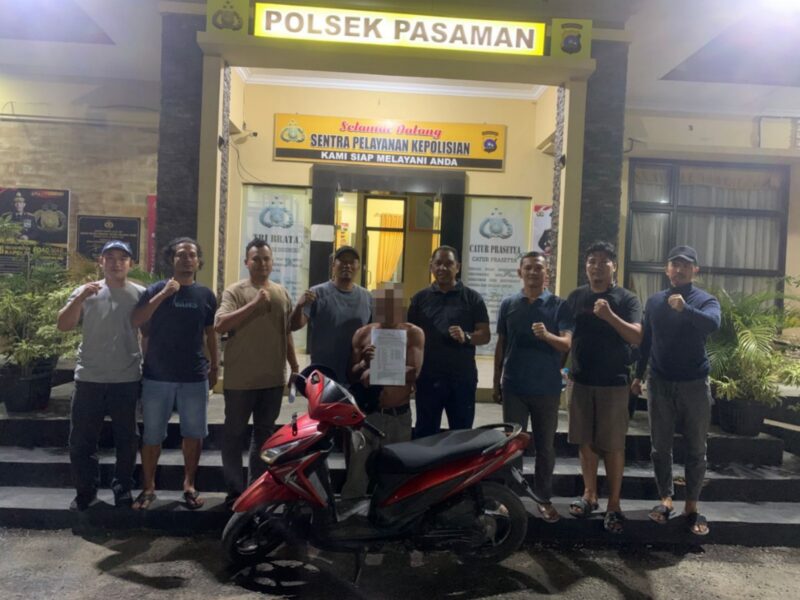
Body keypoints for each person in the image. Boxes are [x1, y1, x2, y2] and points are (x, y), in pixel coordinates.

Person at [632, 245, 721, 536]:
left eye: (685, 265)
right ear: (666, 269)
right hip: (659, 383)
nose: (679, 269)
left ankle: (691, 506)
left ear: (695, 270)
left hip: (694, 384)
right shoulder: (655, 301)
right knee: (660, 447)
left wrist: (686, 309)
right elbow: (646, 341)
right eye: (675, 264)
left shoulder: (705, 300)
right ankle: (666, 499)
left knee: (697, 448)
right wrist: (637, 376)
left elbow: (713, 324)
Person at [130, 237, 218, 510]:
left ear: (198, 261)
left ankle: (189, 485)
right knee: (152, 435)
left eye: (192, 254)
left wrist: (216, 366)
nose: (187, 259)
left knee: (193, 433)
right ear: (172, 259)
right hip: (158, 376)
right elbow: (138, 321)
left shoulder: (206, 295)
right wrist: (164, 295)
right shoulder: (156, 289)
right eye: (181, 254)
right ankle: (148, 487)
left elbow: (211, 333)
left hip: (194, 376)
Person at [57, 240, 144, 511]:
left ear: (131, 263)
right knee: (82, 440)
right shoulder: (86, 291)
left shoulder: (140, 294)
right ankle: (85, 491)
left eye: (122, 258)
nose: (116, 263)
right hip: (89, 378)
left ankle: (123, 488)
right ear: (101, 262)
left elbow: (149, 332)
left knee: (127, 440)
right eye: (110, 257)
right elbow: (63, 325)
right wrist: (80, 298)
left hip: (126, 378)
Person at [215, 239, 299, 508]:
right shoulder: (235, 291)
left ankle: (256, 490)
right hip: (240, 381)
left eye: (266, 258)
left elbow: (287, 333)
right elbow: (220, 324)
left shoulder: (281, 292)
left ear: (272, 262)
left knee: (264, 438)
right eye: (256, 259)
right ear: (246, 262)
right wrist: (253, 304)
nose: (262, 263)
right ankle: (234, 490)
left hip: (272, 380)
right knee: (233, 435)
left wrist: (294, 366)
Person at [565, 242, 642, 534]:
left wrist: (610, 316)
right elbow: (566, 334)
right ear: (586, 267)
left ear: (614, 267)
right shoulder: (576, 297)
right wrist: (562, 370)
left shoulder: (627, 299)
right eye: (591, 261)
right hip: (580, 380)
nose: (596, 267)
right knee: (585, 442)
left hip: (613, 383)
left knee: (612, 445)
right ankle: (590, 495)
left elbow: (637, 337)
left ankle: (614, 504)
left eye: (603, 262)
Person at [493, 251, 573, 523]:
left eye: (538, 268)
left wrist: (547, 335)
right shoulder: (508, 304)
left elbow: (566, 344)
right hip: (514, 386)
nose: (533, 272)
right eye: (528, 268)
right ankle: (511, 499)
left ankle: (543, 499)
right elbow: (502, 344)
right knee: (512, 446)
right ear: (520, 272)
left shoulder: (559, 305)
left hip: (546, 388)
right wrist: (496, 381)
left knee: (545, 447)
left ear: (546, 273)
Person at [341, 283, 424, 499]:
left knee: (395, 478)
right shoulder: (363, 334)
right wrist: (364, 364)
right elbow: (351, 375)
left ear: (400, 305)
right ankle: (351, 513)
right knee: (356, 475)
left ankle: (390, 516)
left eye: (393, 303)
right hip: (367, 416)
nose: (388, 308)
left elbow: (414, 372)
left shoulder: (413, 333)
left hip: (398, 417)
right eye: (382, 303)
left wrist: (376, 372)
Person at [408, 245, 490, 437]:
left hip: (462, 379)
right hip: (428, 379)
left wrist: (466, 336)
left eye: (448, 264)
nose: (442, 268)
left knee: (461, 435)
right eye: (438, 263)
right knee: (425, 434)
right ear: (431, 266)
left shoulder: (473, 298)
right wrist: (410, 374)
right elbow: (409, 339)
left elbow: (485, 335)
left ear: (458, 267)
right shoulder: (419, 299)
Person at [289, 245, 371, 384]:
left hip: (355, 377)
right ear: (333, 266)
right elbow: (294, 325)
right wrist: (299, 306)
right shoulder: (316, 293)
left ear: (359, 267)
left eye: (352, 262)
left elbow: (374, 335)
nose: (347, 265)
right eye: (342, 261)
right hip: (322, 376)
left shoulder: (368, 297)